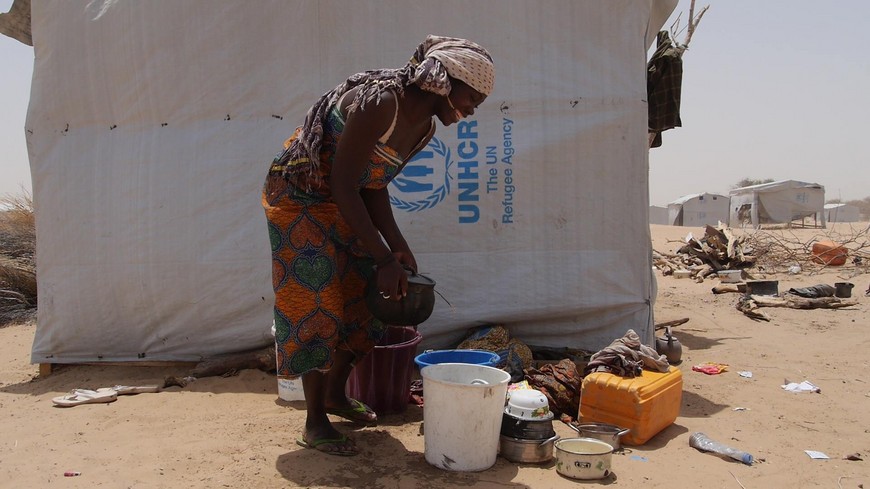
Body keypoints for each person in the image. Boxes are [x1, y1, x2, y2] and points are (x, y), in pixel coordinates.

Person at [262, 35, 494, 456]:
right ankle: (315, 422)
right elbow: (343, 184)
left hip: (342, 200)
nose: (474, 107)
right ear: (444, 80)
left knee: (372, 296)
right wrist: (383, 255)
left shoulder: (422, 128)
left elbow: (372, 185)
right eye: (473, 96)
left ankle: (335, 394)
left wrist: (397, 250)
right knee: (315, 300)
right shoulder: (380, 103)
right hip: (298, 198)